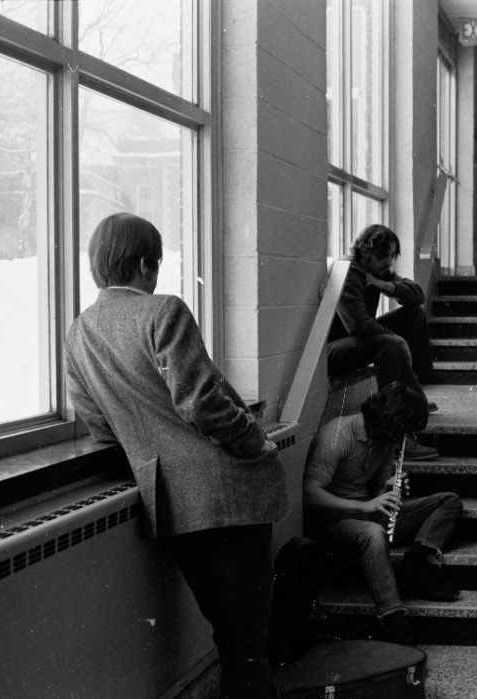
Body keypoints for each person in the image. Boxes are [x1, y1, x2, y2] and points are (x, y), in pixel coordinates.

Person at [64, 213, 290, 699]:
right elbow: (201, 403)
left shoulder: (78, 333)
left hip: (169, 504)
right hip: (230, 493)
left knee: (230, 636)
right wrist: (258, 443)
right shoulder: (164, 311)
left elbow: (97, 422)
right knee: (247, 638)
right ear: (146, 263)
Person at [303, 381, 463, 646]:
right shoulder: (338, 436)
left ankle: (415, 563)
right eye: (402, 433)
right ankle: (393, 620)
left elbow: (375, 488)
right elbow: (309, 494)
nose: (403, 441)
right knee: (374, 533)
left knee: (448, 501)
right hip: (335, 522)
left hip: (367, 511)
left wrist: (387, 487)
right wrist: (363, 507)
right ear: (389, 422)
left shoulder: (385, 438)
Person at [327, 223, 438, 460]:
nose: (388, 262)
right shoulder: (349, 270)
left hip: (355, 342)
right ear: (366, 251)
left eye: (391, 256)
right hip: (333, 351)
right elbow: (357, 325)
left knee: (414, 314)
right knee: (388, 343)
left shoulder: (375, 271)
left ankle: (413, 396)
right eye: (383, 255)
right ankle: (398, 435)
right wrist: (395, 338)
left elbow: (417, 295)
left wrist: (386, 285)